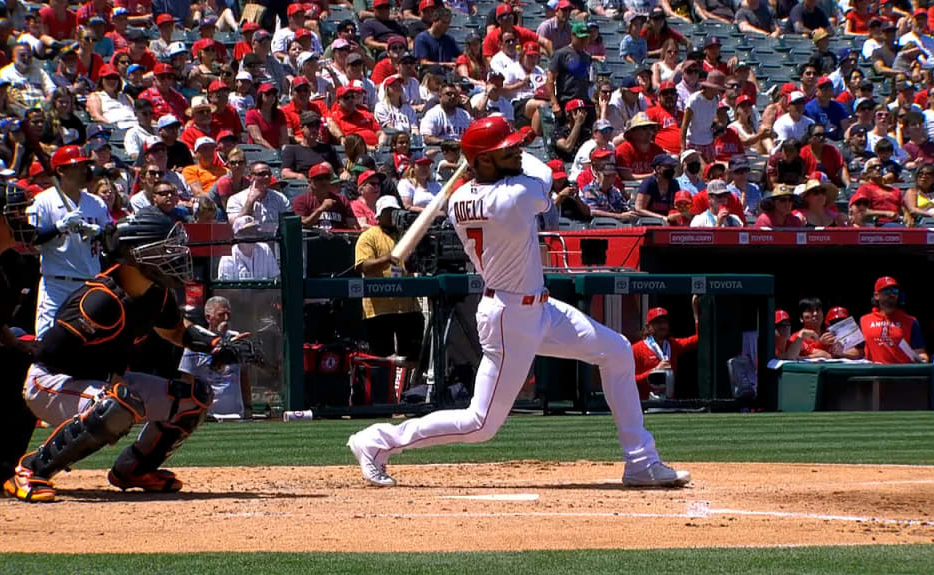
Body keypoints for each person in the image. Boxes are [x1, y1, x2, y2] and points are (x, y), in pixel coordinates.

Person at [348, 115, 690, 488]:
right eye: (506, 151)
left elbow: (509, 166)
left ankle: (640, 461)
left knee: (618, 351)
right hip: (509, 317)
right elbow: (543, 172)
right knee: (479, 424)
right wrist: (484, 154)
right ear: (482, 162)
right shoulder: (515, 196)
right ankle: (377, 441)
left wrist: (486, 152)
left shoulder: (460, 197)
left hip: (538, 308)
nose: (517, 153)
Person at [4, 208, 253, 502]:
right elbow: (50, 355)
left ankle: (134, 469)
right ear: (136, 254)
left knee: (194, 395)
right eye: (163, 249)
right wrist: (112, 383)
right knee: (117, 403)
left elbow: (175, 331)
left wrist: (214, 343)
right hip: (51, 381)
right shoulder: (99, 301)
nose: (172, 256)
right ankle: (31, 470)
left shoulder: (157, 293)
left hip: (105, 382)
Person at [0, 183, 39, 492]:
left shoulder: (12, 264)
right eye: (11, 215)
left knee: (25, 369)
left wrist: (16, 344)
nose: (22, 221)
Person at [27, 146, 110, 339]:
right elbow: (31, 238)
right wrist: (59, 226)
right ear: (60, 171)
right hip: (57, 283)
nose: (84, 170)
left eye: (85, 165)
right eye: (77, 166)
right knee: (47, 340)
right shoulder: (43, 201)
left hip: (90, 283)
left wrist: (98, 233)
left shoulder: (96, 203)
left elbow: (111, 238)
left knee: (88, 343)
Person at [353, 193, 425, 372]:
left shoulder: (406, 235)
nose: (392, 215)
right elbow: (362, 266)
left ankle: (410, 393)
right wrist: (386, 259)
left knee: (414, 356)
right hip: (379, 308)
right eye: (388, 211)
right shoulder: (369, 236)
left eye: (394, 211)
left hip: (408, 306)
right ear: (379, 214)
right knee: (381, 359)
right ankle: (383, 395)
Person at [178, 296, 252, 419]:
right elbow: (187, 379)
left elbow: (244, 376)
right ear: (208, 317)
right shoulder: (195, 343)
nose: (226, 319)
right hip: (208, 415)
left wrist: (248, 407)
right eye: (221, 315)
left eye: (228, 314)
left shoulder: (237, 338)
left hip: (236, 415)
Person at [632, 300, 699, 401]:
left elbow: (698, 339)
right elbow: (629, 381)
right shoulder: (636, 350)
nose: (663, 326)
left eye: (664, 322)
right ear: (648, 327)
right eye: (658, 323)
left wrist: (696, 313)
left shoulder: (673, 344)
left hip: (669, 404)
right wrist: (654, 371)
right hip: (645, 405)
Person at [859, 276, 928, 365]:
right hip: (875, 375)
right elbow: (858, 351)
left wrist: (923, 358)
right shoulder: (864, 321)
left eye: (895, 291)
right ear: (876, 295)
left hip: (901, 375)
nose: (891, 294)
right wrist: (839, 352)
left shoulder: (910, 321)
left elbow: (920, 352)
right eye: (886, 291)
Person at [225, 161, 292, 233]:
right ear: (250, 177)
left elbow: (289, 224)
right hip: (246, 242)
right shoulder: (235, 199)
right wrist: (250, 201)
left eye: (269, 174)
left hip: (273, 242)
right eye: (261, 174)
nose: (267, 177)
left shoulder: (280, 198)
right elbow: (235, 226)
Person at [293, 163, 359, 231]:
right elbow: (303, 224)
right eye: (319, 179)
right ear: (310, 182)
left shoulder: (341, 200)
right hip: (312, 239)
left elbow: (353, 227)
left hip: (338, 239)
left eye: (326, 178)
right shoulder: (301, 200)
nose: (324, 182)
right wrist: (321, 208)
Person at [548, 23, 593, 119]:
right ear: (573, 36)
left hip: (583, 102)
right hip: (566, 101)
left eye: (585, 38)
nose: (583, 41)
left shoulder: (587, 57)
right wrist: (554, 103)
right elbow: (550, 79)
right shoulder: (561, 54)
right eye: (580, 38)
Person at [217, 214, 280, 280]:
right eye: (246, 232)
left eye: (253, 231)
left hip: (264, 290)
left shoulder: (265, 249)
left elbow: (275, 279)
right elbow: (225, 289)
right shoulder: (227, 257)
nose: (251, 236)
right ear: (237, 236)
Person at [680, 70, 725, 162]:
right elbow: (684, 126)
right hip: (693, 142)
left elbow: (712, 118)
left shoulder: (716, 99)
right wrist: (683, 147)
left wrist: (718, 127)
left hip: (708, 142)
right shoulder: (694, 100)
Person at [281, 111, 341, 180]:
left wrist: (344, 173)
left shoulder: (328, 148)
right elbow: (285, 173)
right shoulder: (292, 150)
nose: (314, 129)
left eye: (317, 125)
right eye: (310, 125)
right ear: (301, 128)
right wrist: (298, 176)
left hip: (327, 182)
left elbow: (340, 170)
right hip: (305, 185)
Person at [615, 113, 663, 180]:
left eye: (651, 128)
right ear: (632, 132)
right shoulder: (623, 149)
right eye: (644, 128)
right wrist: (652, 175)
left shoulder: (658, 150)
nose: (649, 132)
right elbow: (627, 176)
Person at [634, 154, 678, 219]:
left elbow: (677, 206)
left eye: (673, 167)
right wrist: (662, 218)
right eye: (668, 166)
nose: (671, 169)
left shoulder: (674, 184)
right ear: (658, 169)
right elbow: (639, 209)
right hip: (649, 223)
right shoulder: (649, 183)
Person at [245, 84, 288, 150]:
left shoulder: (280, 114)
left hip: (278, 153)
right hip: (257, 153)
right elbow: (257, 139)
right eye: (267, 94)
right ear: (260, 96)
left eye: (273, 94)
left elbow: (284, 138)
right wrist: (273, 151)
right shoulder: (251, 114)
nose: (271, 96)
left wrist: (284, 152)